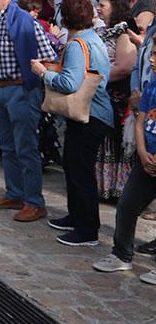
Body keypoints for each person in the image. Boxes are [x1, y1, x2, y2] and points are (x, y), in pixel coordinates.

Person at [30, 0, 113, 246]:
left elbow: (70, 83)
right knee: (74, 166)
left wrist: (44, 74)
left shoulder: (77, 44)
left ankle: (87, 230)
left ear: (64, 17)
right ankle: (76, 217)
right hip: (95, 113)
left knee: (80, 171)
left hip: (90, 114)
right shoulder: (92, 38)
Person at [0, 0, 56, 223]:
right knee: (7, 146)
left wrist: (34, 85)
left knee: (26, 147)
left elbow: (48, 57)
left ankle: (34, 202)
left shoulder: (25, 21)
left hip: (21, 90)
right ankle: (15, 193)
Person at [92, 32, 156, 285]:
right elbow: (141, 120)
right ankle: (121, 253)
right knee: (127, 205)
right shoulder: (151, 86)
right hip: (146, 158)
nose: (152, 60)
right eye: (151, 53)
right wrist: (141, 151)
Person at [95, 0, 138, 200]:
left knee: (115, 141)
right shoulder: (102, 29)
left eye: (102, 5)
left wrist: (93, 79)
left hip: (117, 94)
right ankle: (104, 186)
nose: (98, 8)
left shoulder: (124, 31)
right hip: (102, 93)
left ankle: (117, 188)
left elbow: (124, 67)